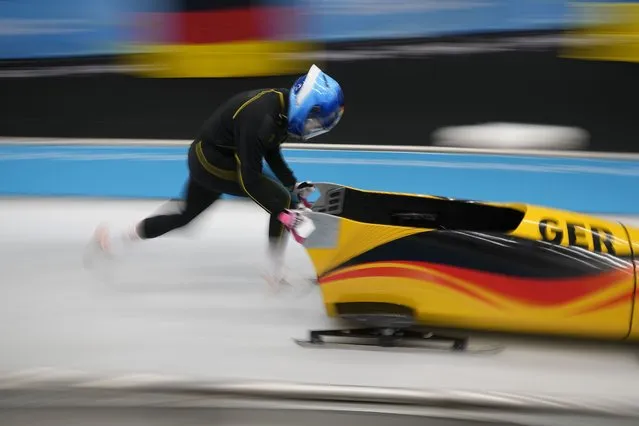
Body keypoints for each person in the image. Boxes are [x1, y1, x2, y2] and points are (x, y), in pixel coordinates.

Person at [89, 64, 344, 290]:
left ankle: (116, 237)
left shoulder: (281, 108)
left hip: (207, 156)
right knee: (282, 200)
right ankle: (274, 272)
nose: (312, 127)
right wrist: (285, 211)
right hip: (212, 162)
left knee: (185, 216)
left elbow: (271, 150)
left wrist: (292, 183)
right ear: (305, 104)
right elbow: (250, 178)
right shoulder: (262, 117)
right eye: (314, 121)